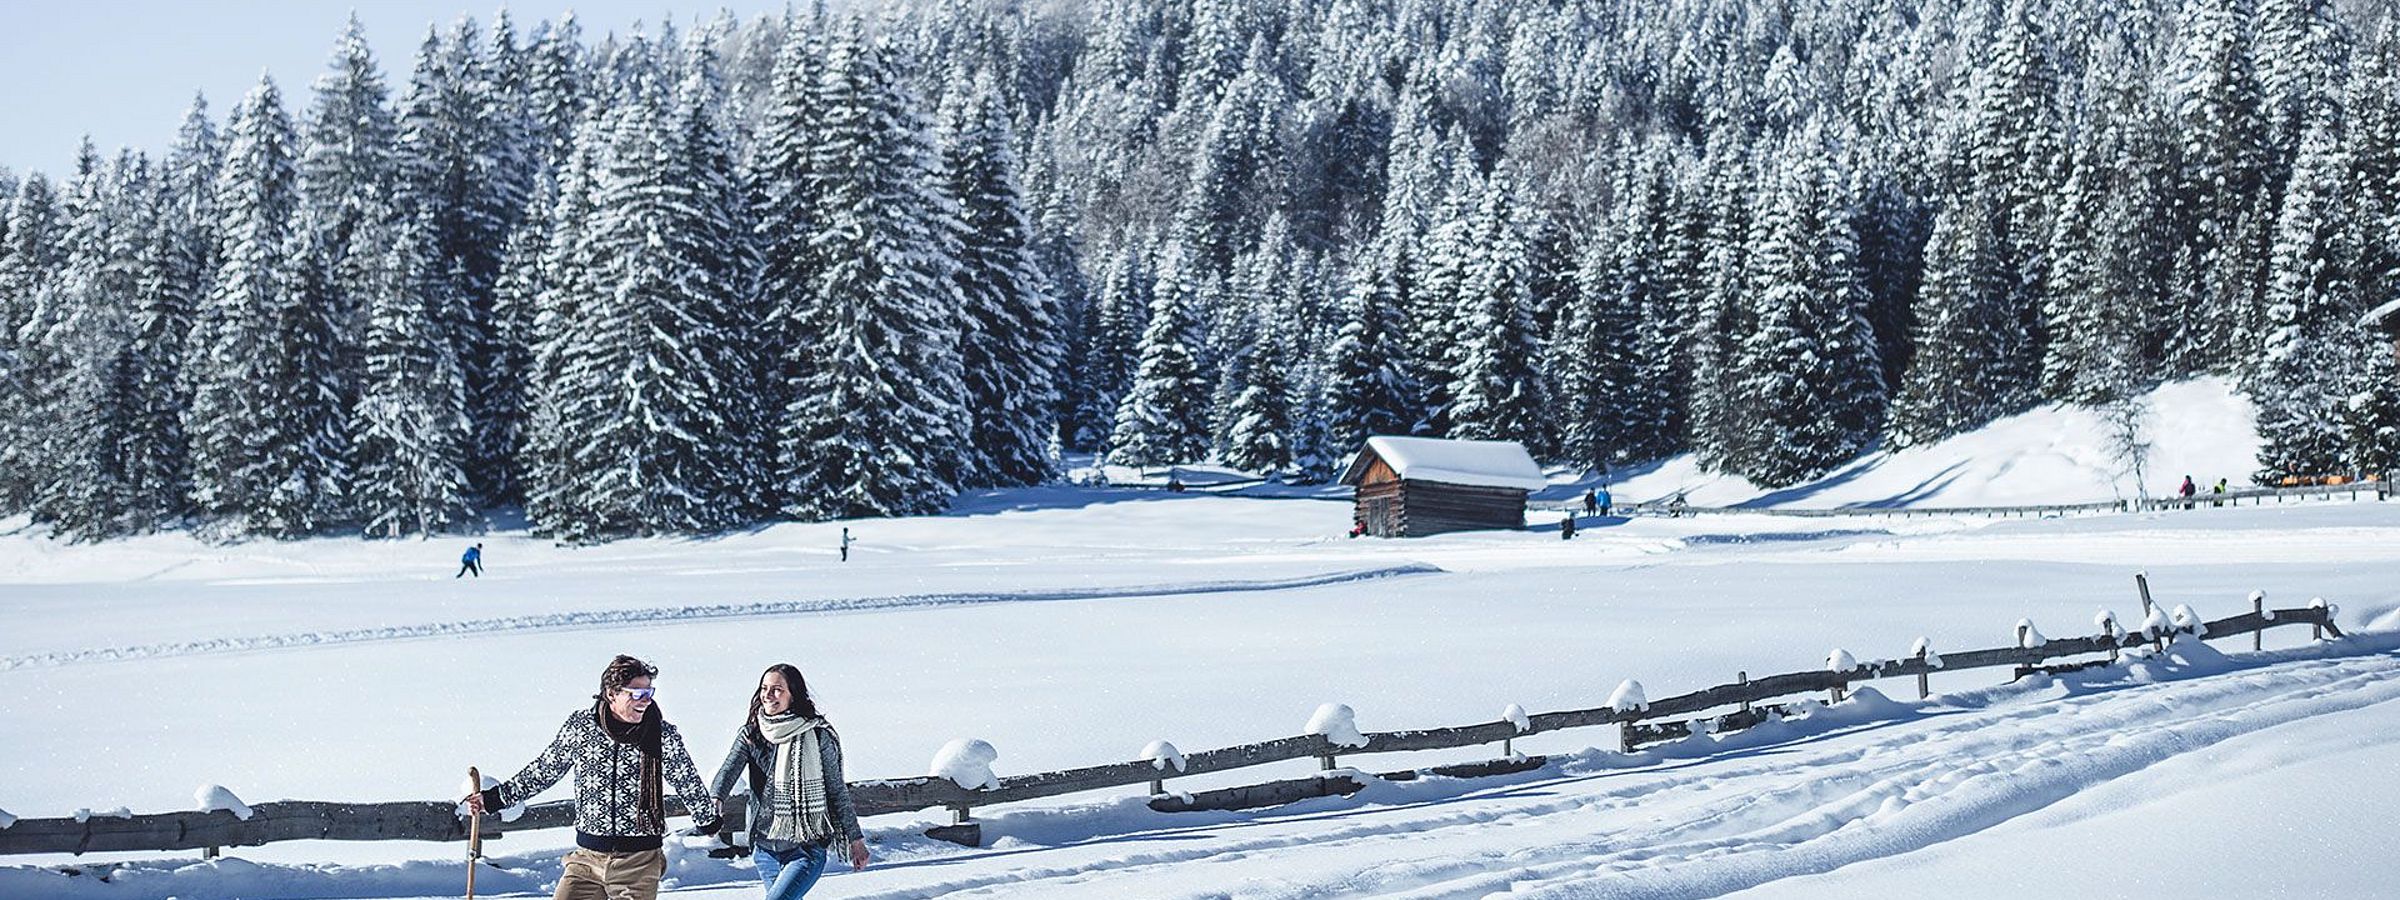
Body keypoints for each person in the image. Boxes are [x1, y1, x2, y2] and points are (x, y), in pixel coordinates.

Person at [465, 655, 722, 900]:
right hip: (587, 859)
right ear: (612, 693)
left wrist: (708, 819)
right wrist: (495, 799)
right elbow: (546, 769)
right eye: (637, 693)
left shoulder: (661, 734)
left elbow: (686, 779)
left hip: (639, 861)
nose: (646, 701)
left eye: (649, 693)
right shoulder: (582, 728)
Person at [713, 664, 869, 899]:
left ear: (793, 695)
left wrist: (855, 840)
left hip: (805, 848)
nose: (768, 695)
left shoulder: (817, 736)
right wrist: (716, 797)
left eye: (777, 689)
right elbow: (728, 771)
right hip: (765, 850)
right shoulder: (752, 734)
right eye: (764, 688)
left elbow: (836, 791)